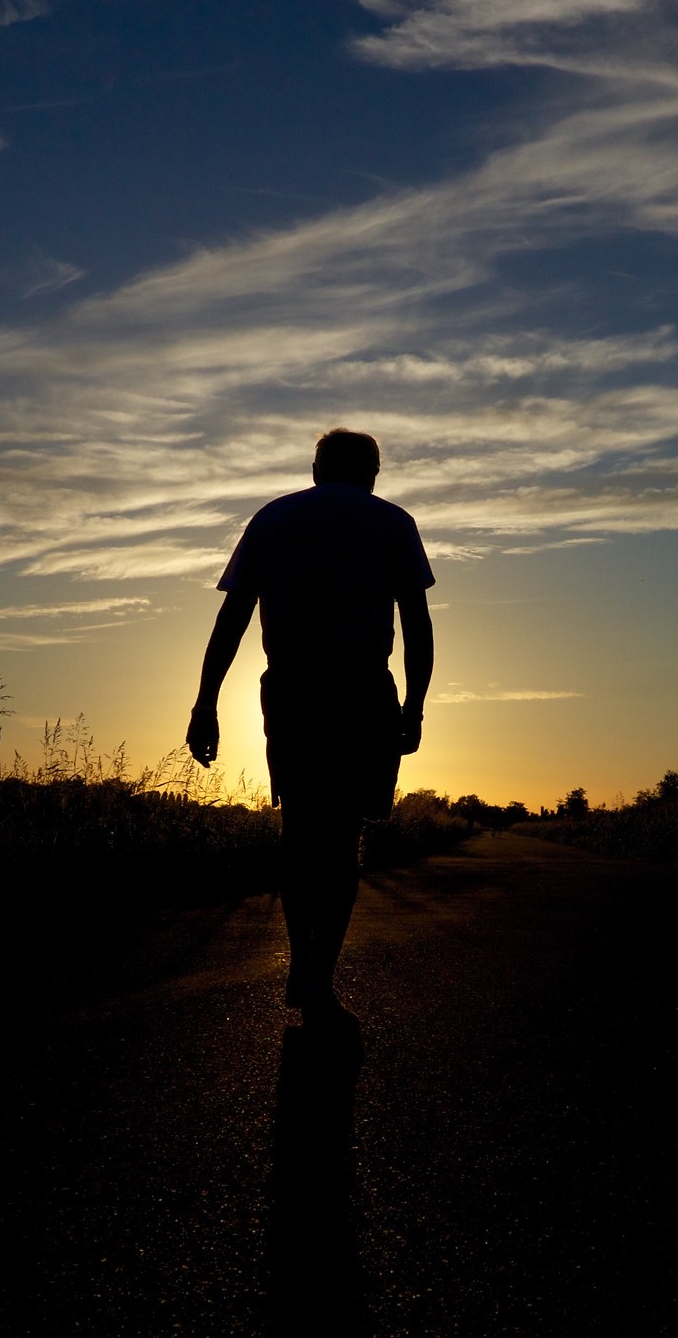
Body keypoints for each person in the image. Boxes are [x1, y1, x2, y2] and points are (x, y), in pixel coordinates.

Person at [188, 429, 434, 1024]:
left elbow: (233, 618)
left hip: (294, 690)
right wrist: (415, 706)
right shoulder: (394, 523)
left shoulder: (274, 518)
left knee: (300, 831)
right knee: (345, 835)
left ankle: (303, 958)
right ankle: (320, 978)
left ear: (317, 468)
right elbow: (419, 625)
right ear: (373, 472)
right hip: (362, 690)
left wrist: (206, 701)